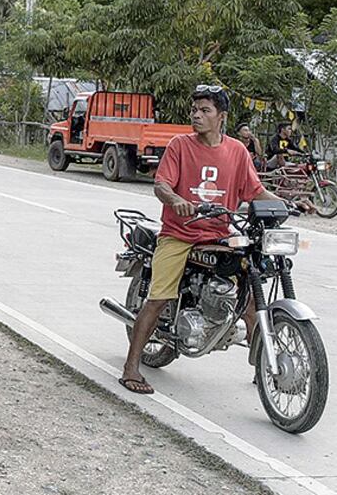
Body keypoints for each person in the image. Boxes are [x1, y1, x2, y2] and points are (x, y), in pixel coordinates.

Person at [119, 85, 298, 395]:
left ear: (222, 117)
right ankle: (131, 367)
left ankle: (264, 365)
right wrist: (175, 200)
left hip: (220, 233)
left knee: (252, 295)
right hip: (180, 234)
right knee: (160, 297)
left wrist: (284, 204)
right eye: (195, 110)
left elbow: (255, 191)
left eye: (205, 111)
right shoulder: (180, 146)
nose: (197, 116)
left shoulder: (237, 151)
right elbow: (161, 185)